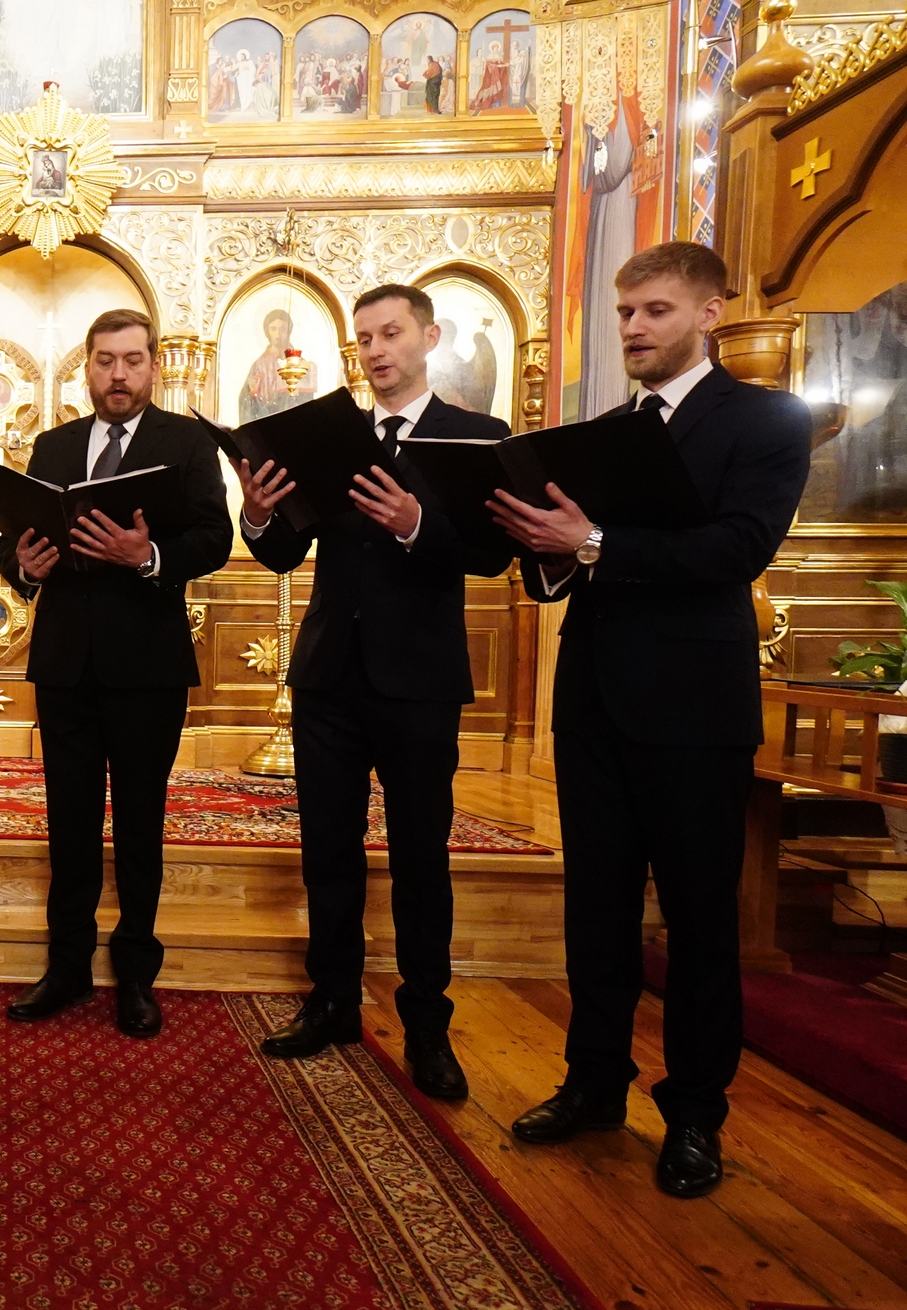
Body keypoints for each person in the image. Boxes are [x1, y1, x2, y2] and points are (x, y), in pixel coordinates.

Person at [488, 242, 810, 1198]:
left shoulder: (763, 419)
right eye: (626, 312)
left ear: (710, 312)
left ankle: (697, 1116)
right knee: (595, 914)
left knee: (701, 921)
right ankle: (593, 1085)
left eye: (656, 311)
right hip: (594, 701)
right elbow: (567, 566)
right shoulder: (606, 431)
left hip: (693, 712)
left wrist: (588, 540)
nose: (633, 328)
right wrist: (541, 545)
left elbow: (739, 548)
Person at [234, 283, 512, 1097]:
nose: (378, 350)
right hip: (328, 675)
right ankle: (332, 1002)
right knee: (328, 850)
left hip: (419, 681)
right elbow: (286, 553)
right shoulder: (335, 436)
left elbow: (490, 555)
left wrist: (416, 525)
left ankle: (428, 1025)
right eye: (365, 338)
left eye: (392, 334)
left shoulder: (474, 435)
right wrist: (259, 515)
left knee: (422, 855)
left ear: (429, 337)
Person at [0, 309, 233, 1038]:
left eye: (132, 360)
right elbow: (16, 541)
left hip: (147, 666)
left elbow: (214, 536)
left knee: (139, 823)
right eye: (104, 361)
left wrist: (148, 555)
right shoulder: (55, 444)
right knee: (68, 824)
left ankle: (135, 973)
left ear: (153, 365)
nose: (118, 374)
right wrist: (20, 566)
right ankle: (66, 967)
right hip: (65, 662)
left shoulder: (185, 441)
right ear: (86, 368)